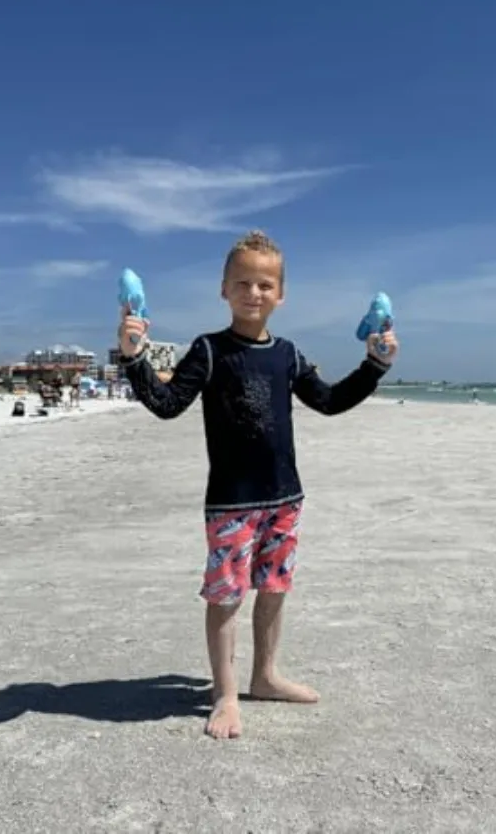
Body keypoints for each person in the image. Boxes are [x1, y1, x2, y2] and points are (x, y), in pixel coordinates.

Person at [117, 230, 399, 740]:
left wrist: (374, 367)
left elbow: (330, 400)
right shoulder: (208, 350)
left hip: (284, 498)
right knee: (225, 598)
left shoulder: (287, 354)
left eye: (265, 284)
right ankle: (225, 694)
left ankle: (264, 675)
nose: (254, 293)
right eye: (242, 283)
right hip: (231, 503)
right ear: (223, 289)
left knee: (273, 589)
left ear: (281, 294)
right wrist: (135, 360)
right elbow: (167, 404)